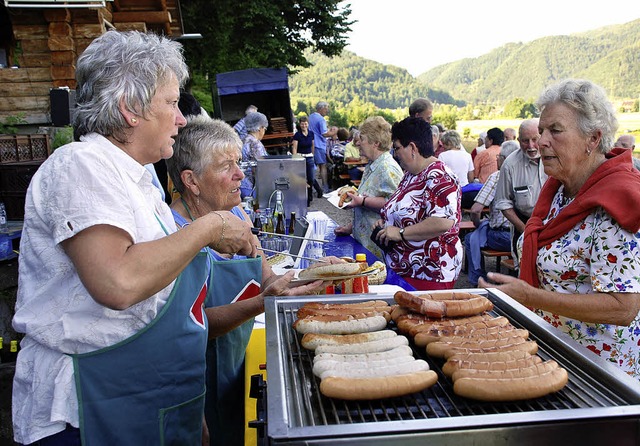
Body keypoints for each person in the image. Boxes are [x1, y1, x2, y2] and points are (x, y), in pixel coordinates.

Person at [11, 30, 260, 446]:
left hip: (150, 404)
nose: (181, 118)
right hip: (87, 413)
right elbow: (118, 283)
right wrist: (211, 227)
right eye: (171, 102)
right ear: (130, 108)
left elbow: (168, 311)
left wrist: (186, 406)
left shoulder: (140, 182)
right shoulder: (81, 165)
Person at [166, 115, 326, 446]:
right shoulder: (170, 234)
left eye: (238, 162)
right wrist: (262, 302)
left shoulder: (236, 214)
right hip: (193, 380)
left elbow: (269, 279)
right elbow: (190, 324)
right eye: (227, 166)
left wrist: (317, 273)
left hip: (236, 366)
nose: (241, 174)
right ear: (191, 181)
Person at [480, 78, 640, 379]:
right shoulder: (559, 190)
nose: (541, 141)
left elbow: (623, 307)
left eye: (555, 130)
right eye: (542, 131)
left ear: (593, 139)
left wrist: (531, 297)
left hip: (601, 369)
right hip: (557, 352)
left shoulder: (618, 200)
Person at [373, 117, 462, 290]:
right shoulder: (411, 174)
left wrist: (400, 232)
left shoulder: (440, 177)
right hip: (406, 268)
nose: (395, 154)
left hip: (428, 272)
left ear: (412, 148)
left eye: (397, 148)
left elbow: (442, 222)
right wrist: (387, 222)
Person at [335, 116, 403, 259]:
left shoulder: (387, 168)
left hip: (379, 248)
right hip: (366, 243)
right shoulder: (373, 164)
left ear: (376, 143)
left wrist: (362, 201)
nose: (357, 143)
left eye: (362, 139)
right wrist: (351, 227)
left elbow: (395, 205)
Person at [464, 140, 519, 286]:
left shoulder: (497, 176)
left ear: (504, 159)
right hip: (523, 236)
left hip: (503, 237)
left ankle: (477, 281)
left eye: (499, 157)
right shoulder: (527, 174)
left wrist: (477, 224)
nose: (497, 159)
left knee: (471, 238)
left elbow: (476, 210)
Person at [494, 119, 548, 267]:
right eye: (525, 141)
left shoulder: (556, 157)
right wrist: (524, 229)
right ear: (518, 140)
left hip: (555, 224)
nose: (531, 146)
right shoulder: (510, 165)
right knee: (525, 272)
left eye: (535, 140)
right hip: (524, 224)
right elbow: (503, 202)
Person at [439, 130, 479, 209]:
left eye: (444, 144)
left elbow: (440, 174)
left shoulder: (442, 155)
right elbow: (471, 177)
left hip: (449, 191)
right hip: (464, 191)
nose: (443, 146)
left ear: (449, 143)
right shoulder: (467, 155)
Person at [309, 101, 338, 194]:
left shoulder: (311, 116)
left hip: (311, 143)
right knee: (322, 166)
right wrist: (334, 132)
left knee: (311, 166)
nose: (327, 110)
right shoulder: (321, 119)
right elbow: (324, 134)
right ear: (321, 108)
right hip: (319, 145)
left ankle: (312, 187)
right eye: (326, 108)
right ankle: (325, 188)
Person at [240, 111, 269, 198]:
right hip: (251, 187)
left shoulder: (243, 140)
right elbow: (260, 168)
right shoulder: (255, 144)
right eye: (264, 129)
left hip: (242, 185)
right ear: (260, 128)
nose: (264, 132)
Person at [291, 116, 316, 206]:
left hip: (309, 157)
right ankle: (302, 198)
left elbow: (313, 145)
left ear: (308, 124)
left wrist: (313, 155)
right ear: (300, 124)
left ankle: (309, 197)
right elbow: (294, 148)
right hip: (300, 157)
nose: (304, 125)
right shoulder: (297, 135)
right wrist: (295, 158)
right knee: (301, 178)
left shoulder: (311, 134)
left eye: (305, 124)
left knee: (311, 178)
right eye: (302, 124)